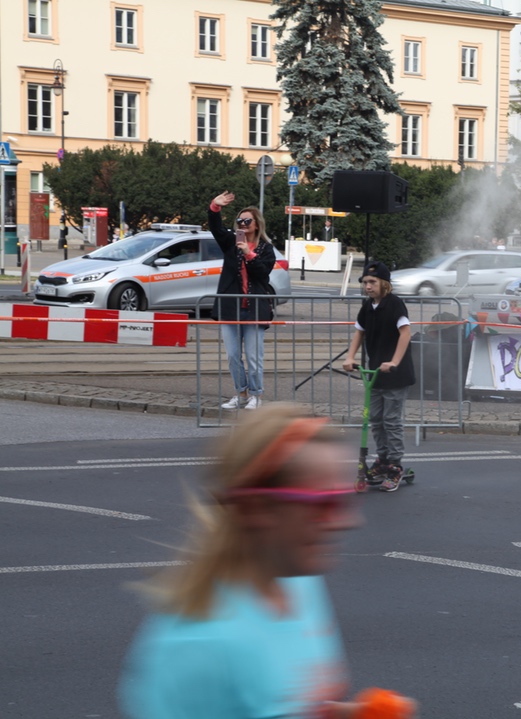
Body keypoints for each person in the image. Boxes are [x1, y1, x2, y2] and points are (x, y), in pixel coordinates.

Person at [118, 403, 415, 718]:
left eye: (342, 500)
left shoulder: (298, 581)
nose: (348, 521)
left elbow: (289, 704)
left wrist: (356, 713)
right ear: (256, 508)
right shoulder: (198, 647)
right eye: (322, 504)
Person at [343, 261, 415, 492]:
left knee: (391, 420)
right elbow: (359, 333)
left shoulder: (395, 304)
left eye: (372, 282)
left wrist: (394, 361)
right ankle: (382, 459)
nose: (368, 286)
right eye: (365, 282)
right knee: (375, 419)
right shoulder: (367, 307)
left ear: (384, 283)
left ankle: (395, 464)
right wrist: (350, 357)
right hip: (374, 373)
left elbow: (405, 334)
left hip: (395, 374)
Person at [209, 191, 277, 411]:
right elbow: (216, 229)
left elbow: (262, 274)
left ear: (257, 225)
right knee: (233, 356)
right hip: (231, 308)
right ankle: (241, 394)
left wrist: (249, 253)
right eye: (240, 220)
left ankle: (256, 395)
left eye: (247, 221)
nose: (243, 224)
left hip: (254, 309)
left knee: (254, 357)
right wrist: (215, 207)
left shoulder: (266, 248)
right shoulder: (231, 242)